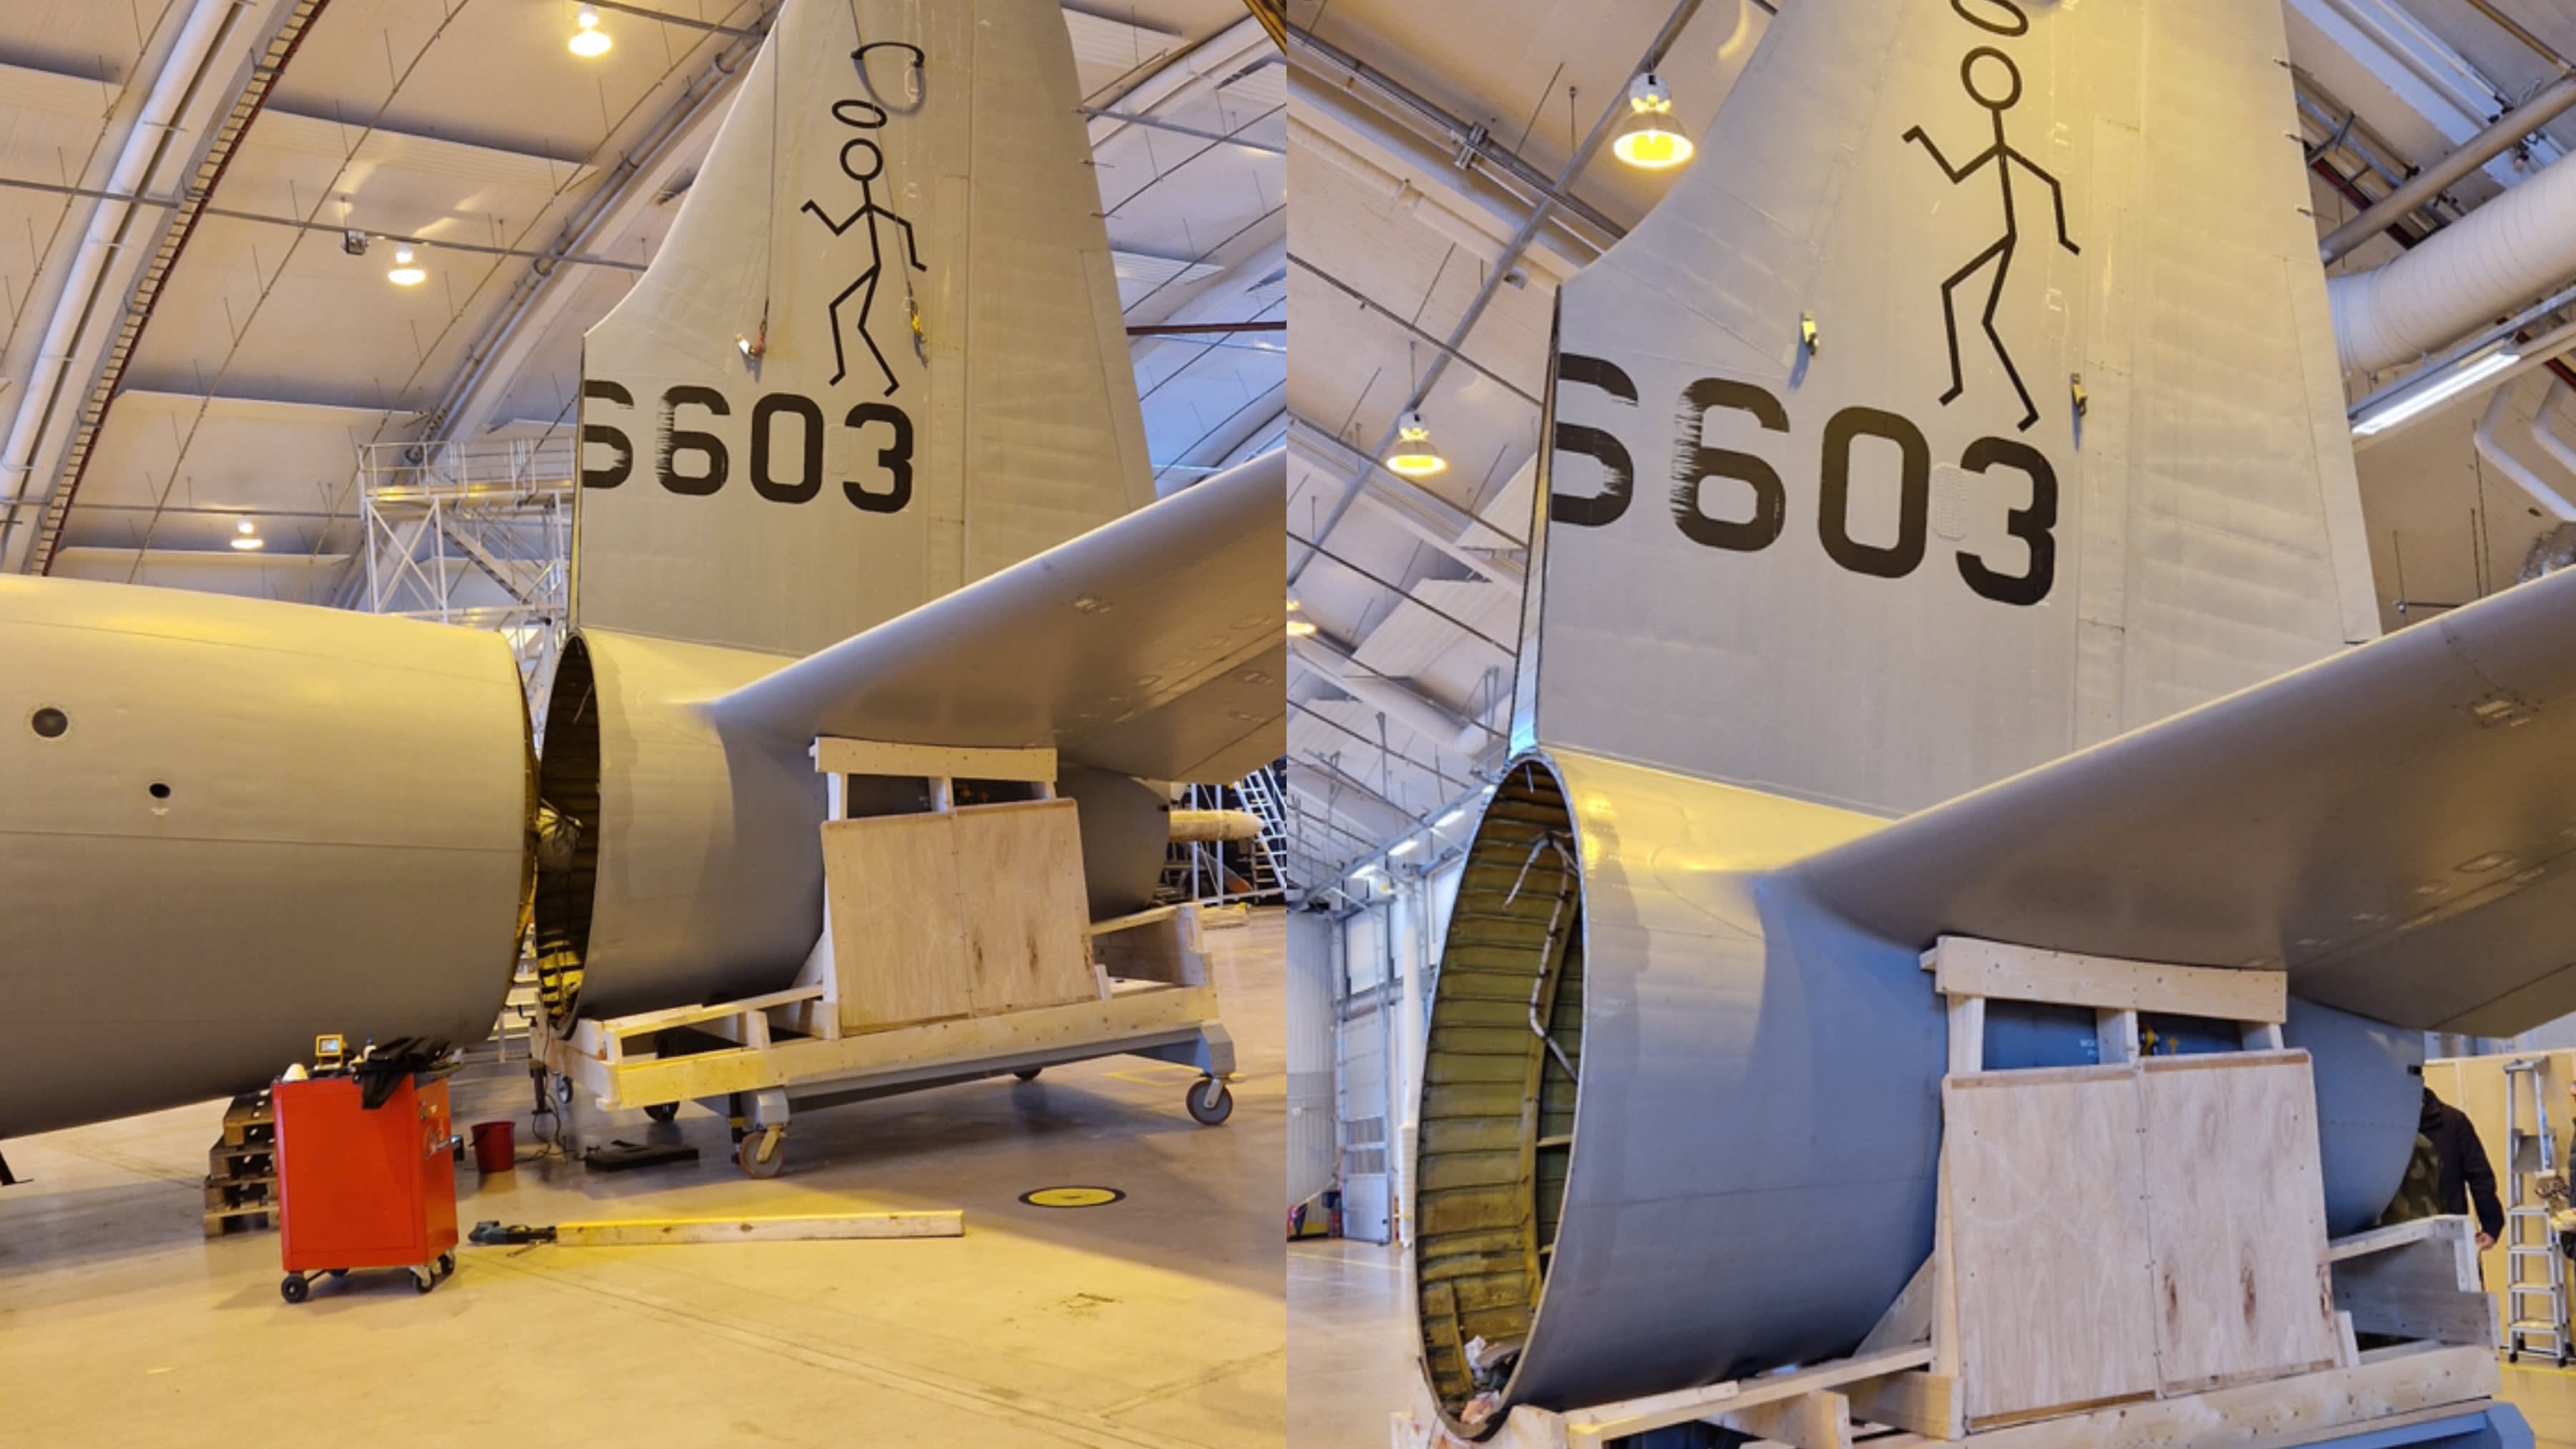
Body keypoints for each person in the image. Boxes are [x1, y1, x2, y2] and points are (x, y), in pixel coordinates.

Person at [2417, 1085, 2507, 1248]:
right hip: (2403, 1235)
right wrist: (2491, 1227)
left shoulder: (2452, 1121)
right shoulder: (2453, 1120)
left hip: (2449, 1233)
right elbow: (2479, 1175)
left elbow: (2479, 1175)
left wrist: (2491, 1225)